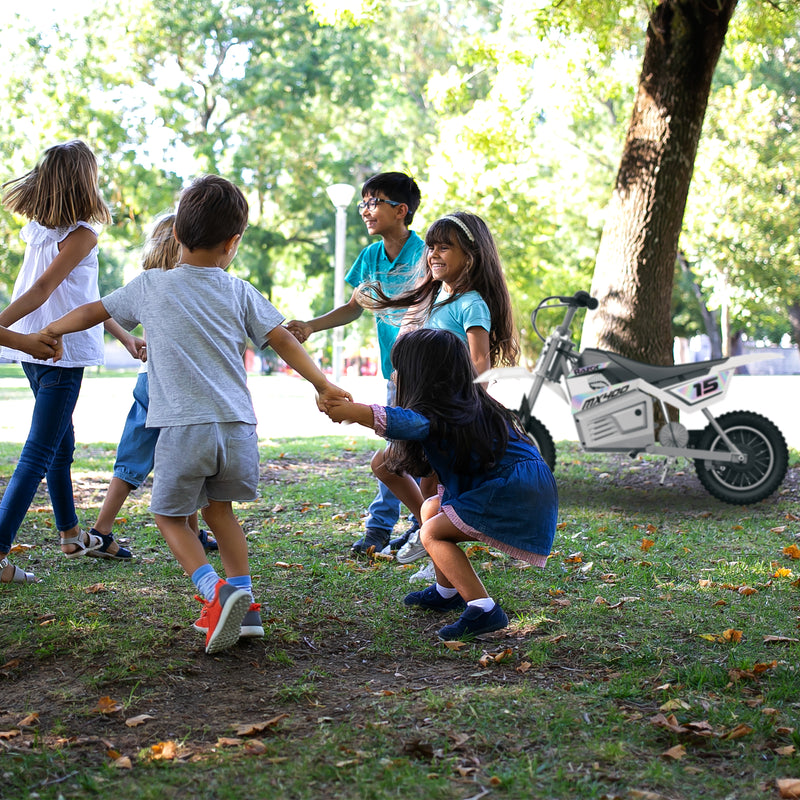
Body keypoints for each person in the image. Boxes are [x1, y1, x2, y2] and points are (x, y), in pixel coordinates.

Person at [44, 174, 352, 654]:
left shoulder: (150, 286)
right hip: (237, 429)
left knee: (168, 515)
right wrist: (323, 383)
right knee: (221, 513)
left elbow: (93, 311)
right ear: (233, 243)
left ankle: (216, 590)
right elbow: (283, 338)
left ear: (176, 236)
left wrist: (53, 330)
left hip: (184, 428)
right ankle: (246, 608)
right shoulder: (239, 290)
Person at [325, 329, 558, 639]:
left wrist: (355, 413)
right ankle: (446, 591)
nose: (394, 375)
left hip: (513, 491)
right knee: (431, 508)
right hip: (521, 487)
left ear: (422, 376)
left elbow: (403, 421)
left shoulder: (440, 414)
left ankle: (484, 609)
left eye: (400, 368)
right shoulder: (466, 405)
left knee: (431, 532)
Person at [0, 140, 144, 585]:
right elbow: (43, 289)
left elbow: (82, 297)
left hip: (36, 348)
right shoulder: (81, 233)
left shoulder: (40, 232)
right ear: (86, 181)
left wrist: (122, 334)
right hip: (56, 352)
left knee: (61, 445)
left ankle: (69, 533)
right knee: (40, 452)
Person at [361, 211, 519, 575]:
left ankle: (436, 550)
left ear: (471, 256)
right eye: (431, 246)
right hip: (422, 411)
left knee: (428, 482)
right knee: (387, 467)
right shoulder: (435, 300)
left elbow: (480, 363)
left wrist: (465, 411)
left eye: (445, 246)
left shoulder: (472, 303)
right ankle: (427, 532)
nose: (433, 253)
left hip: (447, 416)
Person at [287, 172, 424, 556]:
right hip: (394, 374)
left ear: (401, 210)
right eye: (363, 202)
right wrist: (311, 326)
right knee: (397, 449)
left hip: (425, 374)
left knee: (402, 451)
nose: (366, 210)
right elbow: (353, 308)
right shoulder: (370, 257)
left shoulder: (426, 253)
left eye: (374, 202)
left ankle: (389, 528)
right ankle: (412, 524)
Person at [85, 213, 217, 560]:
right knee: (181, 458)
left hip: (149, 382)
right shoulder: (190, 284)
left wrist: (131, 339)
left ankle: (104, 530)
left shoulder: (148, 282)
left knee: (139, 459)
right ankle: (102, 531)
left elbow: (104, 309)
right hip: (173, 387)